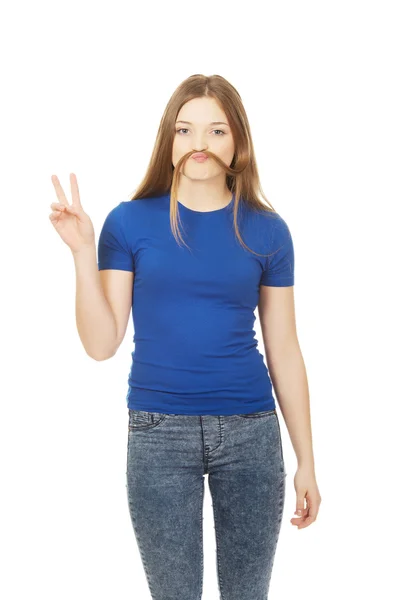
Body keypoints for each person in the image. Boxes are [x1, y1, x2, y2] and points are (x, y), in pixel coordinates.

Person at [49, 73, 321, 600]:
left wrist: (307, 457)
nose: (200, 144)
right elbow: (102, 344)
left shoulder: (267, 230)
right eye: (186, 130)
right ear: (168, 141)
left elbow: (284, 348)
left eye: (216, 131)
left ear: (238, 141)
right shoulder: (128, 224)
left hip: (251, 435)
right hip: (157, 435)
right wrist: (83, 254)